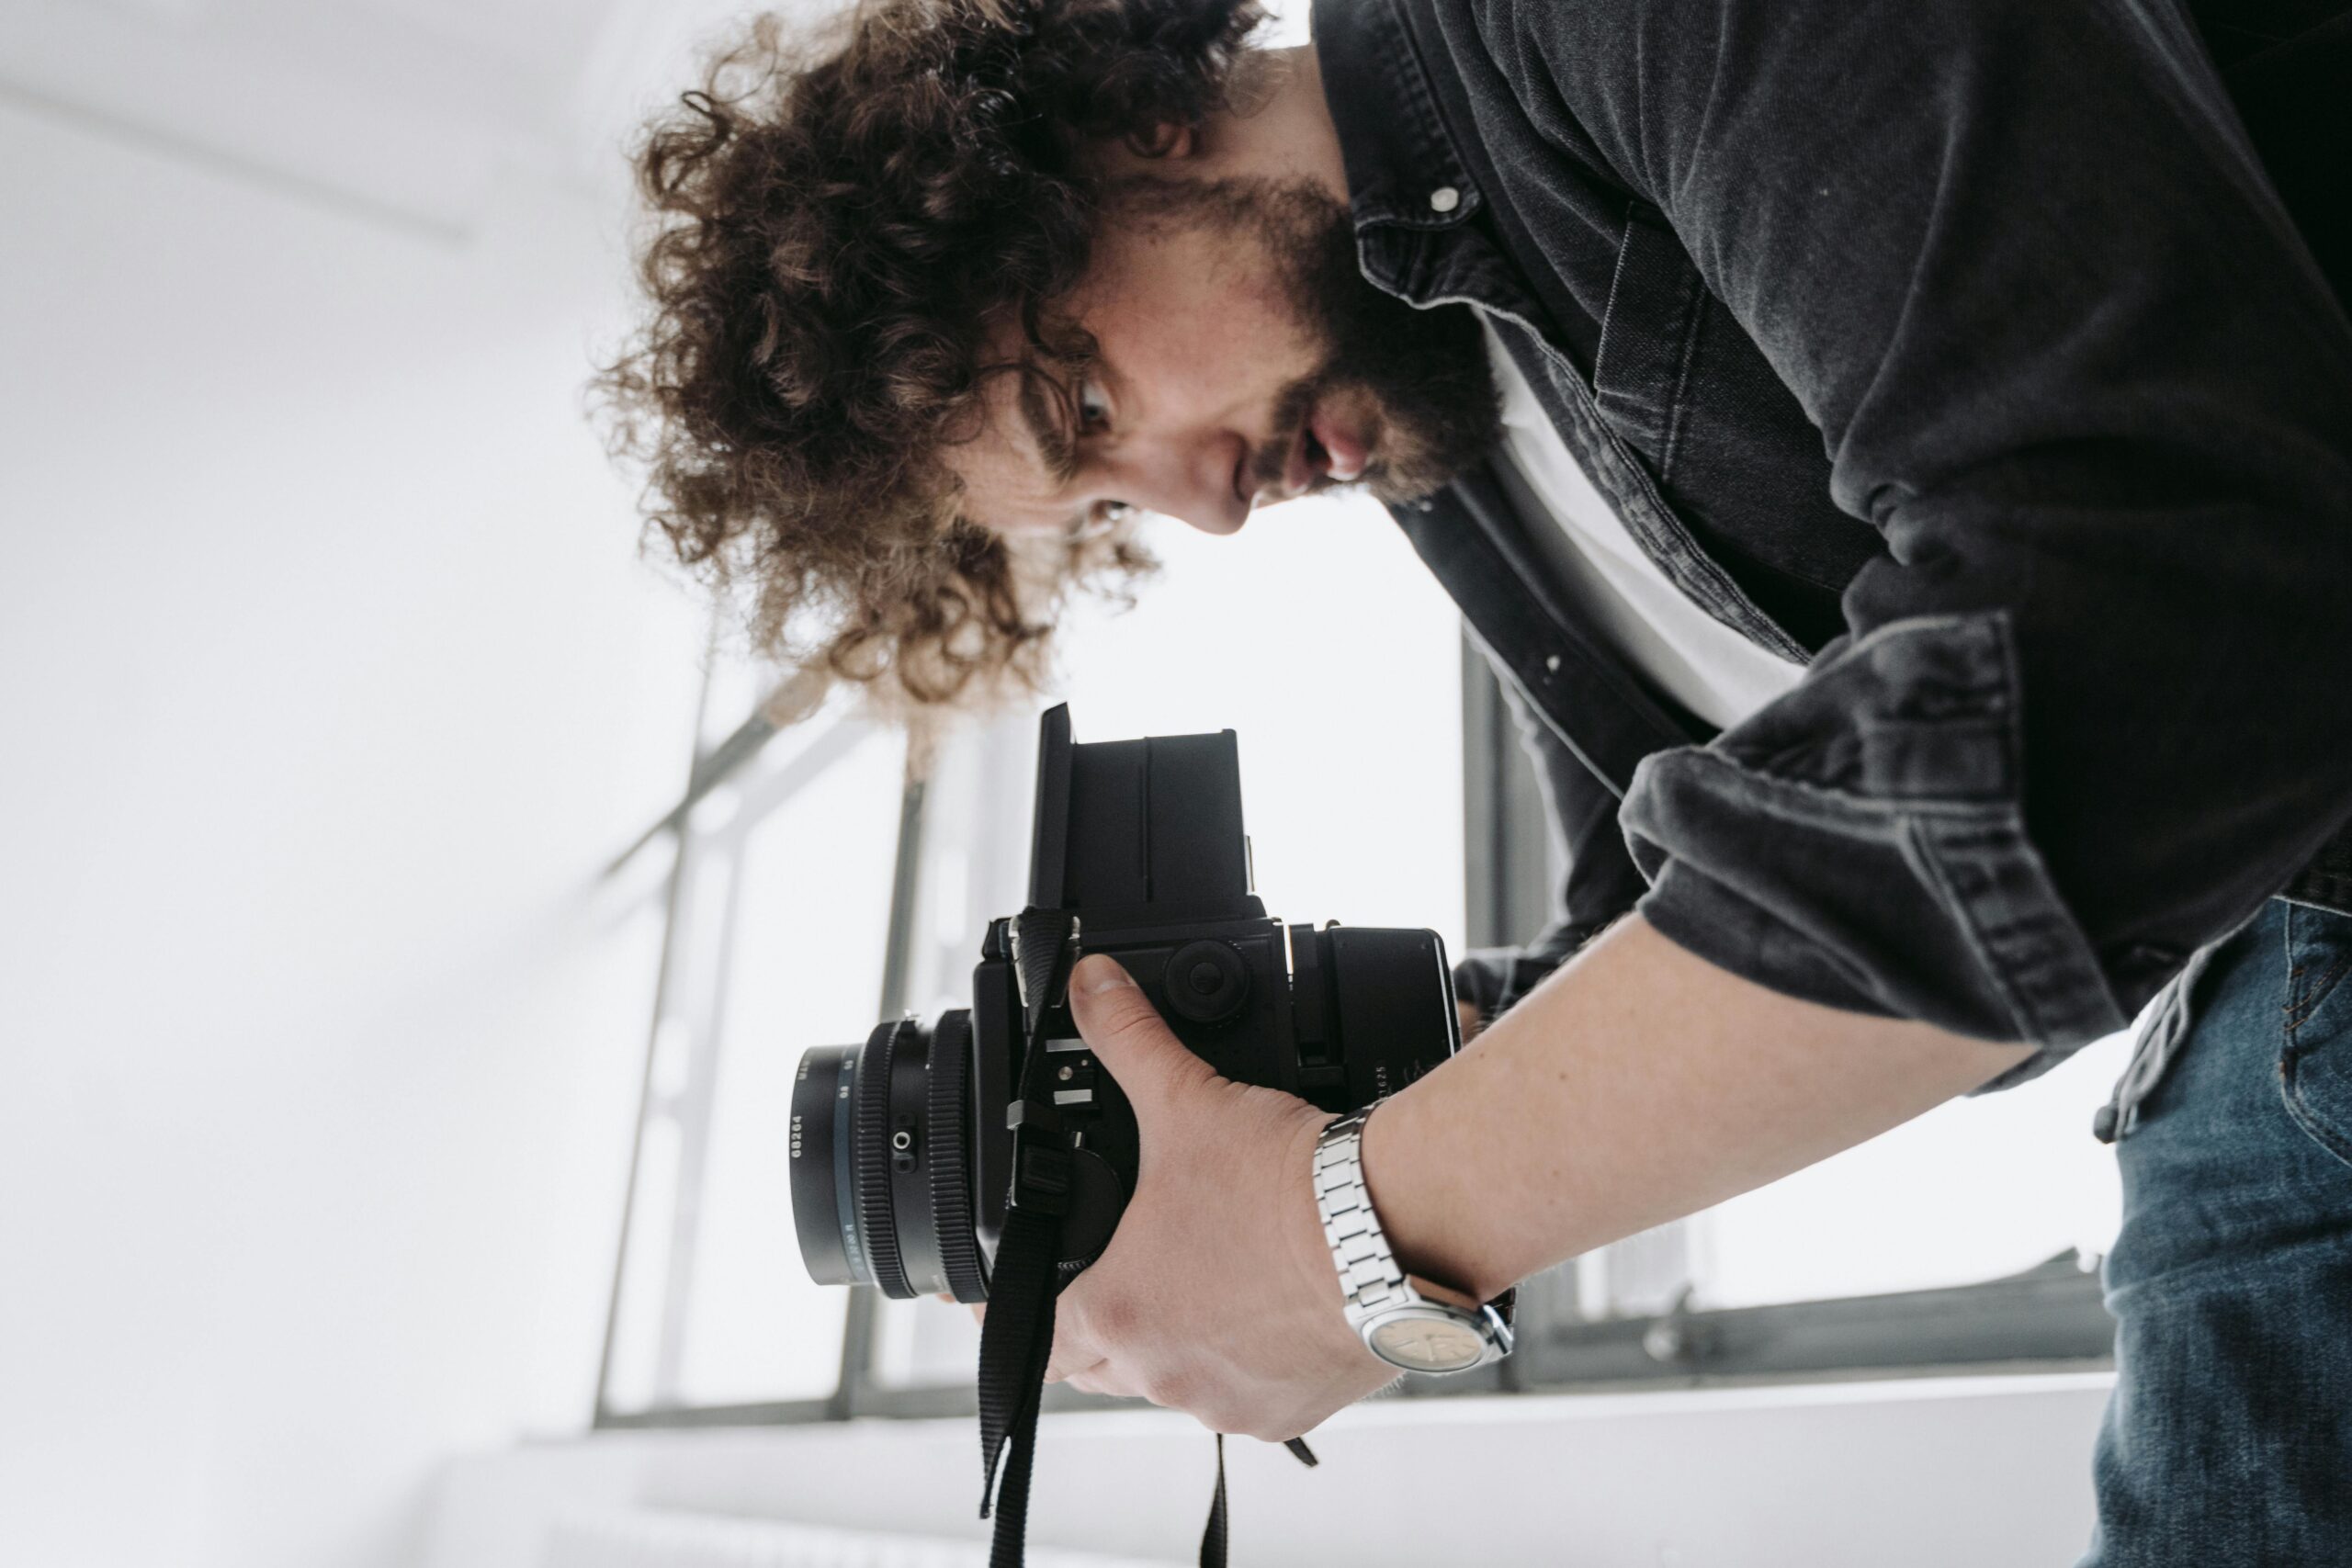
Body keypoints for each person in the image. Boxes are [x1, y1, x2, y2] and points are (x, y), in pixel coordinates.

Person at [594, 1, 2352, 1559]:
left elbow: (2170, 610)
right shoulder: (1446, 439)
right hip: (2239, 986)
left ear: (1117, 124)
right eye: (1116, 500)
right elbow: (1662, 919)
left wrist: (1339, 1241)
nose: (1204, 503)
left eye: (1085, 396)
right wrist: (1242, 1105)